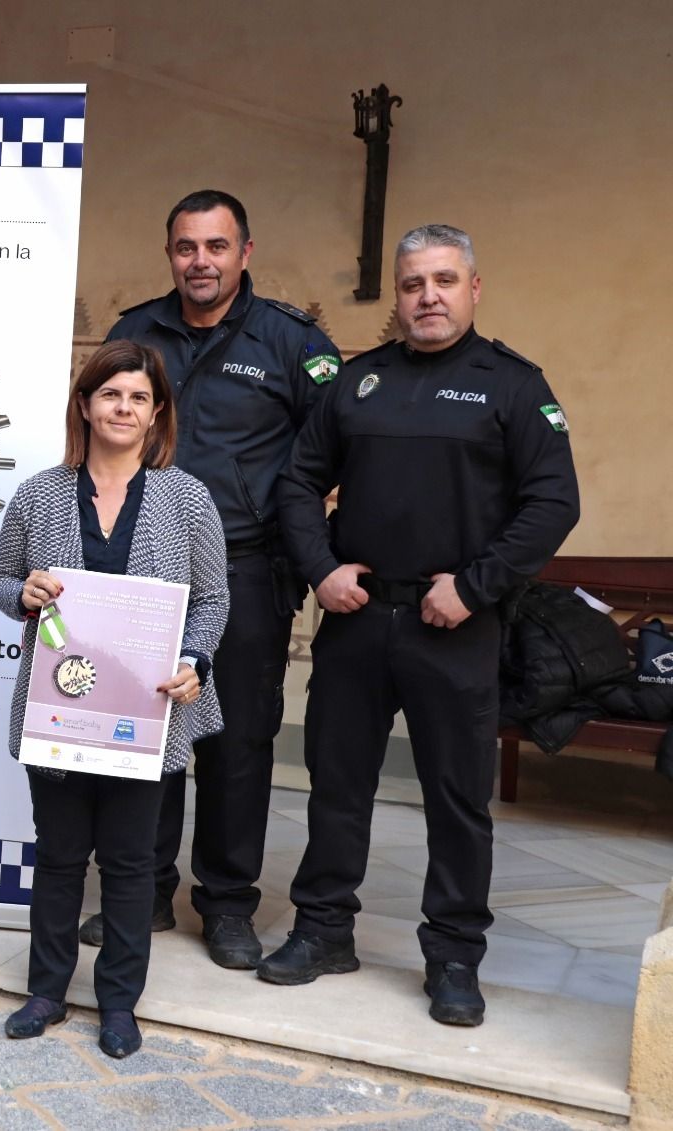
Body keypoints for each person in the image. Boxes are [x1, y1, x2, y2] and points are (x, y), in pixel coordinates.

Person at [258, 224, 580, 1026]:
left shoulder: (511, 384)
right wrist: (320, 569)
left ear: (475, 288)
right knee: (338, 787)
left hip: (456, 626)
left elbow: (553, 503)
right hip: (359, 619)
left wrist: (475, 588)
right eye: (412, 284)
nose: (427, 296)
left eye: (443, 280)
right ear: (397, 296)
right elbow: (297, 483)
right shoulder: (357, 383)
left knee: (457, 801)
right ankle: (324, 928)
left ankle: (454, 957)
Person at [84, 189, 343, 970]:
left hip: (245, 568)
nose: (201, 261)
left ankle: (228, 904)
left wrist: (316, 554)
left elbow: (333, 454)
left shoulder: (291, 342)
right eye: (186, 247)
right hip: (138, 570)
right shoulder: (137, 331)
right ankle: (144, 890)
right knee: (142, 736)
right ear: (171, 254)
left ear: (245, 253)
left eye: (217, 246)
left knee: (237, 743)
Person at [0, 340, 229, 1058]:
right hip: (60, 710)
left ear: (156, 414)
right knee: (59, 854)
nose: (123, 408)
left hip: (146, 716)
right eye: (111, 394)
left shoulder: (186, 496)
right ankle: (46, 990)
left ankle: (119, 1002)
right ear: (86, 405)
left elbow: (213, 598)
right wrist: (22, 594)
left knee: (130, 863)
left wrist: (196, 660)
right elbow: (2, 580)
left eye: (138, 398)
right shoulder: (40, 492)